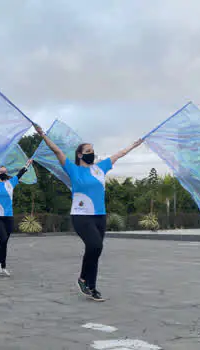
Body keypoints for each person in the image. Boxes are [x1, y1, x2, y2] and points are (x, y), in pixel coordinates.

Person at [34, 123, 142, 301]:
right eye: (88, 150)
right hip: (81, 216)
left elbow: (120, 154)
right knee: (95, 246)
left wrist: (135, 144)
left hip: (100, 216)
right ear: (80, 154)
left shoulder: (101, 168)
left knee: (96, 251)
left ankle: (91, 286)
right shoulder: (73, 169)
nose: (92, 153)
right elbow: (57, 151)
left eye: (93, 150)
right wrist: (42, 134)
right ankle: (83, 278)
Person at [0, 159, 33, 276]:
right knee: (3, 238)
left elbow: (20, 173)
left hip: (8, 216)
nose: (2, 173)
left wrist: (28, 164)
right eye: (0, 172)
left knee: (5, 241)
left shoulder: (11, 182)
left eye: (4, 172)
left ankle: (3, 266)